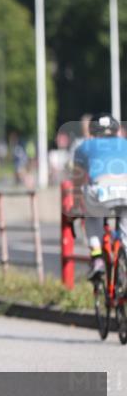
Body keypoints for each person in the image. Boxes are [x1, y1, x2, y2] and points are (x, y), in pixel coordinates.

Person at [72, 113, 127, 280]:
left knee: (92, 216)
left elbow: (78, 180)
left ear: (92, 132)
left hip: (100, 190)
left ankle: (97, 258)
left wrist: (75, 206)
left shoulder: (84, 147)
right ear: (117, 131)